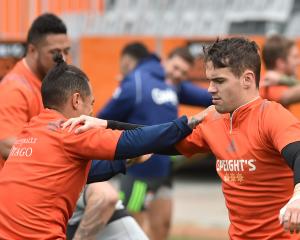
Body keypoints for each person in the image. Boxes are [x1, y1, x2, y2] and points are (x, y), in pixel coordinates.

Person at [70, 37, 300, 239]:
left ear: (247, 80)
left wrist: (298, 196)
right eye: (209, 80)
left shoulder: (271, 115)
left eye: (219, 81)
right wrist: (108, 125)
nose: (210, 89)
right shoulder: (212, 120)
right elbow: (161, 139)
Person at [0, 53, 204, 239]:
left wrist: (124, 162)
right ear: (76, 101)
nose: (91, 113)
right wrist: (187, 124)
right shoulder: (71, 130)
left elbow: (77, 172)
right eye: (91, 103)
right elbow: (132, 141)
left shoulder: (32, 128)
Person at [0, 13, 133, 239]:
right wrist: (75, 159)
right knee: (106, 196)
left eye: (67, 50)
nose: (63, 57)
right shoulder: (15, 88)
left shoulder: (48, 84)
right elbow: (6, 145)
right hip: (28, 202)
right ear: (32, 50)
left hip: (51, 191)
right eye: (55, 52)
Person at [98, 42, 212, 240]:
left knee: (163, 226)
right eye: (175, 68)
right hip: (138, 175)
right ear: (165, 61)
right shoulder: (138, 82)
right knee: (132, 231)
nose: (178, 74)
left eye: (184, 72)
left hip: (163, 173)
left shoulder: (175, 86)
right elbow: (103, 119)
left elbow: (209, 97)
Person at [260, 34, 300, 107]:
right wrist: (282, 80)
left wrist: (283, 80)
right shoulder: (268, 84)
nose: (298, 62)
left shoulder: (278, 81)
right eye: (295, 57)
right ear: (281, 62)